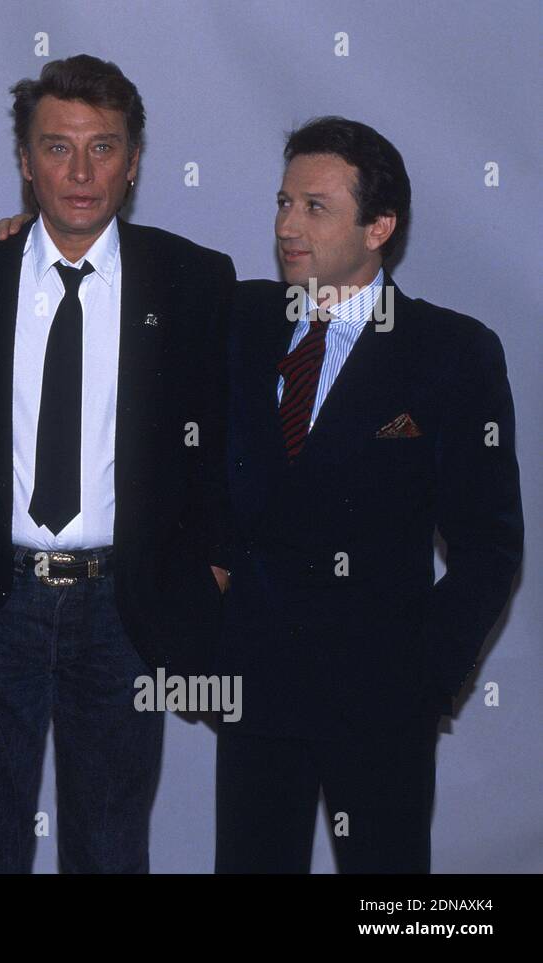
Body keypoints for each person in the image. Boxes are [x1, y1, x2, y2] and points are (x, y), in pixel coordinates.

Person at [0, 54, 235, 873]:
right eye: (57, 147)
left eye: (104, 147)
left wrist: (214, 568)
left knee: (113, 848)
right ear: (24, 163)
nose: (80, 171)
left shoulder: (194, 279)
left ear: (133, 161)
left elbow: (226, 441)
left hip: (126, 608)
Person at [215, 117, 523, 873]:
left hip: (383, 701)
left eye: (314, 207)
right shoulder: (239, 320)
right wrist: (30, 229)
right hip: (256, 691)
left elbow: (490, 542)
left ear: (379, 225)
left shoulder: (451, 352)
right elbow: (132, 281)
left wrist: (425, 680)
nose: (288, 226)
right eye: (283, 202)